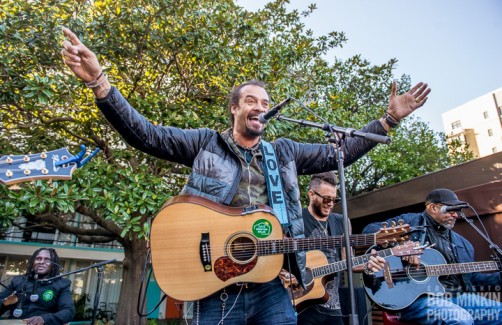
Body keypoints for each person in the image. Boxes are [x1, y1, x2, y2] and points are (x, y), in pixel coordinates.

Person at [61, 27, 430, 324]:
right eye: (252, 101)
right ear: (235, 108)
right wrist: (101, 85)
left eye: (266, 104)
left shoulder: (283, 152)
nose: (261, 107)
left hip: (272, 282)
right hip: (215, 282)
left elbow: (341, 153)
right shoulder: (206, 144)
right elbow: (146, 134)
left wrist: (389, 120)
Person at [362, 188, 502, 325]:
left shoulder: (463, 244)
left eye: (458, 211)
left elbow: (473, 279)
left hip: (456, 296)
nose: (456, 215)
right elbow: (369, 230)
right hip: (416, 299)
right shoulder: (410, 222)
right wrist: (404, 244)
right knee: (460, 319)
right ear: (433, 207)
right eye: (451, 210)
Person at [291, 172, 385, 325]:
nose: (331, 203)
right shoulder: (296, 220)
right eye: (327, 199)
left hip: (333, 306)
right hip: (301, 303)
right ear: (311, 194)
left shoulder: (342, 221)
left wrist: (368, 264)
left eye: (335, 200)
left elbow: (348, 262)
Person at [0, 248, 75, 325]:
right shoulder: (17, 281)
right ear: (33, 262)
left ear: (53, 264)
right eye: (38, 259)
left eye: (47, 260)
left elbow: (68, 312)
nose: (41, 262)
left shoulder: (61, 284)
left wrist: (44, 319)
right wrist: (4, 303)